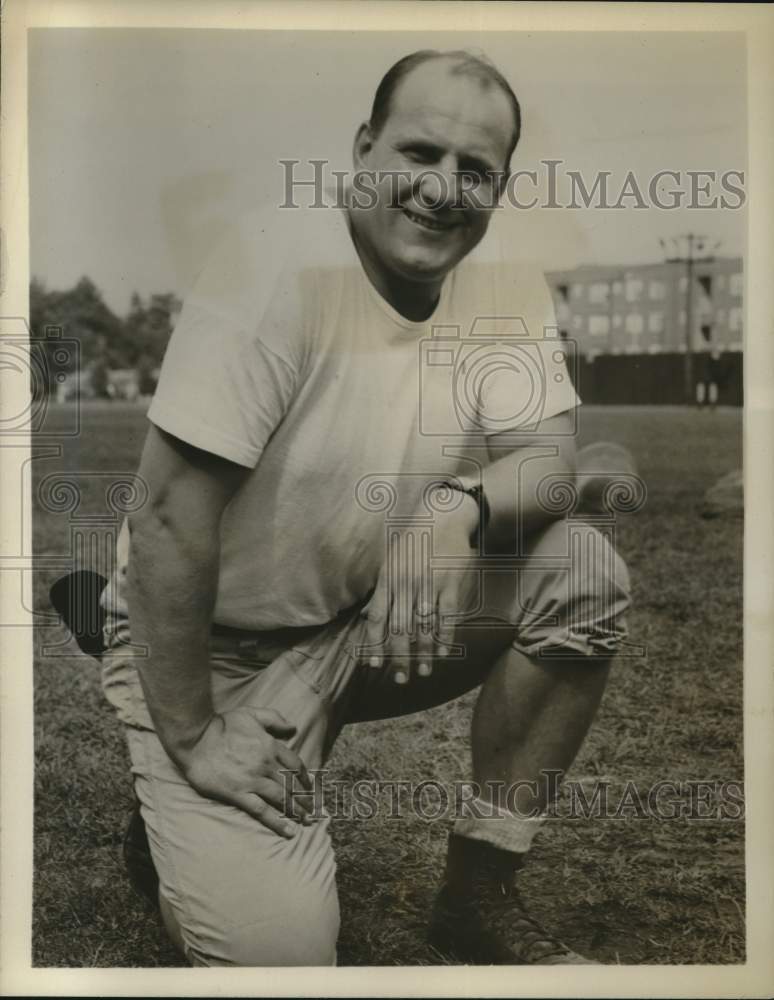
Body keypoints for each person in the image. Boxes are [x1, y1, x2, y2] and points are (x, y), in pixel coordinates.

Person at [100, 48, 631, 966]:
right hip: (212, 651)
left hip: (363, 620)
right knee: (283, 961)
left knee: (582, 573)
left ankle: (479, 898)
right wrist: (194, 734)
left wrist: (455, 512)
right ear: (363, 149)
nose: (443, 190)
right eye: (420, 154)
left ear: (500, 188)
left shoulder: (501, 276)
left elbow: (550, 462)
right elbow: (166, 520)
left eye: (475, 171)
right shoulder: (273, 267)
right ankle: (171, 804)